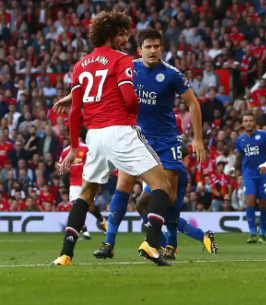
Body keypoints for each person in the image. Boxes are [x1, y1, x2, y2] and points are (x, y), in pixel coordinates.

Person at [56, 29, 214, 260]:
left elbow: (193, 104)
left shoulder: (172, 74)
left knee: (162, 196)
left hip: (165, 140)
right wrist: (72, 97)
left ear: (161, 49)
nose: (153, 50)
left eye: (157, 46)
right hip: (133, 136)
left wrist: (198, 139)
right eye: (148, 47)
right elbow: (102, 83)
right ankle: (110, 242)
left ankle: (168, 242)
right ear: (140, 50)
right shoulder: (128, 65)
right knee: (123, 185)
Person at [51, 11, 175, 267]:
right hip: (120, 130)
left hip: (94, 136)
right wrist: (133, 110)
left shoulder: (80, 65)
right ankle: (151, 243)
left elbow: (75, 110)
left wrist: (74, 146)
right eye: (122, 33)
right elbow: (129, 99)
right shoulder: (122, 59)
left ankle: (65, 254)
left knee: (85, 195)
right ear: (110, 34)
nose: (125, 39)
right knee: (163, 185)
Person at [234, 114, 266, 243]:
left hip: (263, 175)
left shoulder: (263, 135)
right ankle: (252, 233)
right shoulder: (240, 140)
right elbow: (239, 157)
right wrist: (234, 169)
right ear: (242, 124)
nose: (248, 123)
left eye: (251, 120)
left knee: (264, 204)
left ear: (254, 123)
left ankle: (262, 233)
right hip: (248, 175)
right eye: (245, 121)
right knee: (250, 201)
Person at [58, 140, 107, 240]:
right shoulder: (65, 151)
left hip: (86, 181)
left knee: (90, 207)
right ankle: (86, 233)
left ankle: (103, 221)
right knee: (77, 207)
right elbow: (60, 168)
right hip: (74, 183)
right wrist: (64, 169)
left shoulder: (85, 148)